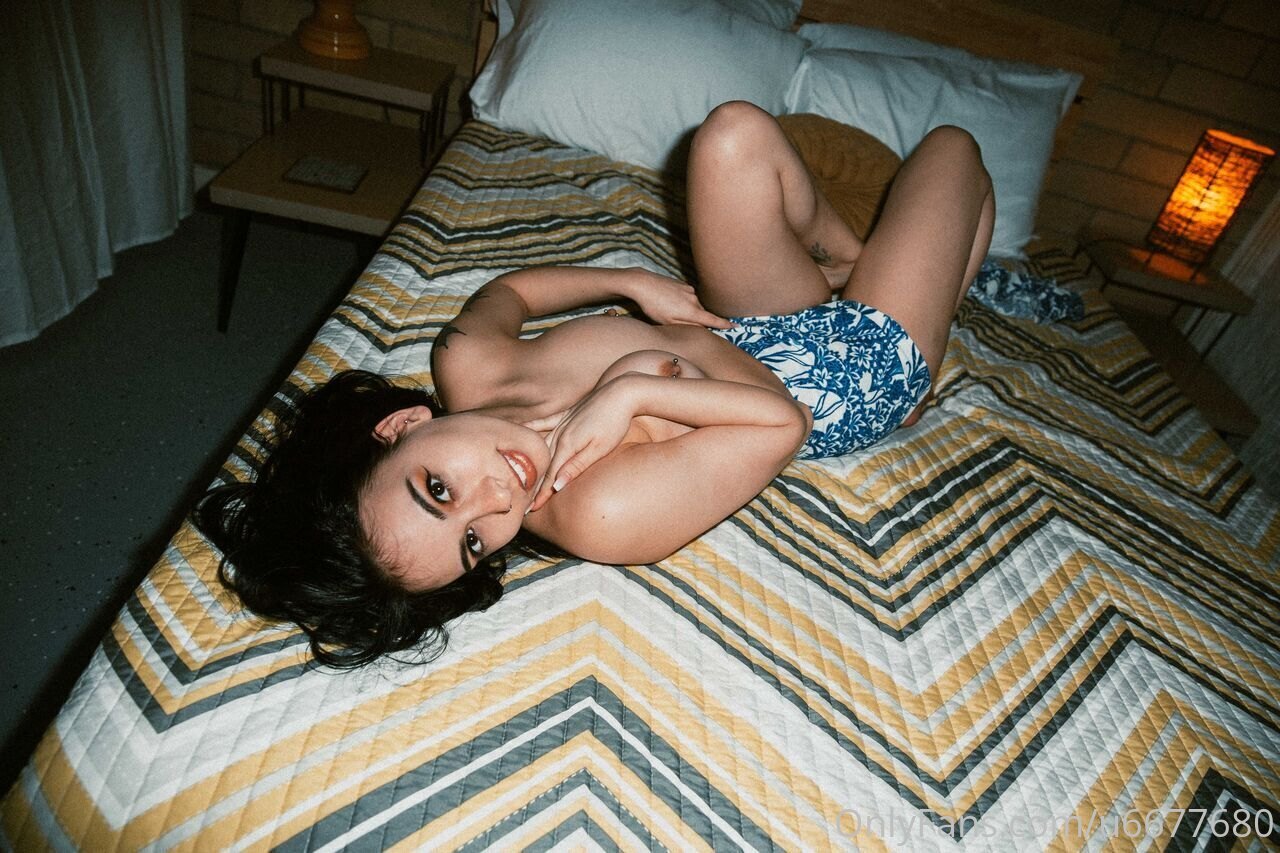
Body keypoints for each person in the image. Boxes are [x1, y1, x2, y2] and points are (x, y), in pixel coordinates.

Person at [194, 101, 995, 667]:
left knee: (732, 135)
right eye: (472, 543)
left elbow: (509, 293)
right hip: (839, 381)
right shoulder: (597, 511)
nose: (496, 502)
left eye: (438, 488)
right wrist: (629, 394)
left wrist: (629, 282)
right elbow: (782, 424)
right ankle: (920, 346)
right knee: (955, 151)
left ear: (402, 425)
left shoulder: (467, 360)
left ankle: (850, 255)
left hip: (740, 327)